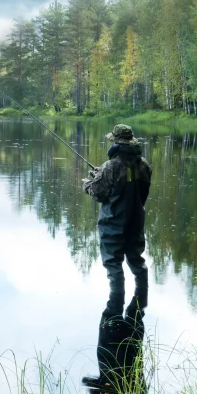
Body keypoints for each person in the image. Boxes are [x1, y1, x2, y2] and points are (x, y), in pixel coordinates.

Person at [82, 124, 152, 296]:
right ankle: (141, 298)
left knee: (113, 265)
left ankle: (115, 308)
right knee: (137, 260)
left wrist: (88, 184)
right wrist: (101, 174)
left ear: (116, 143)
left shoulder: (110, 166)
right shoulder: (143, 164)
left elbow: (99, 193)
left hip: (112, 224)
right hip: (135, 221)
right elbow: (138, 189)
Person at [83, 290, 149, 394]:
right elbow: (89, 384)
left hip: (130, 350)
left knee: (133, 309)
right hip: (114, 344)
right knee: (118, 303)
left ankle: (139, 281)